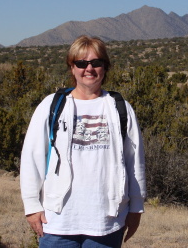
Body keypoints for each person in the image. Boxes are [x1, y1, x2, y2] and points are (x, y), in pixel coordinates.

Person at [20, 35, 146, 248]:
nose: (89, 69)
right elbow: (32, 157)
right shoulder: (51, 105)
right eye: (81, 63)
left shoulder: (120, 108)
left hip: (106, 221)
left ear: (105, 67)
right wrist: (32, 206)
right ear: (72, 67)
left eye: (96, 62)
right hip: (58, 221)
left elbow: (135, 162)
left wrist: (136, 208)